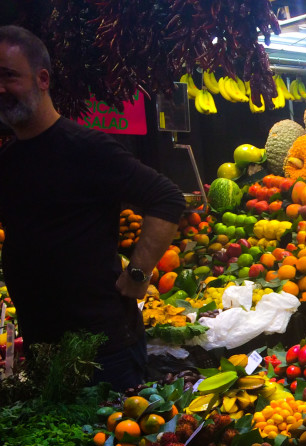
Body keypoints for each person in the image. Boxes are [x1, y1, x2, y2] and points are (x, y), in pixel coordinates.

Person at [0, 25, 185, 390]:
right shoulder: (8, 161)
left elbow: (167, 197)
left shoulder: (87, 148)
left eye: (9, 76)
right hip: (44, 350)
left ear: (42, 79)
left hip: (105, 350)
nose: (0, 88)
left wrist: (138, 275)